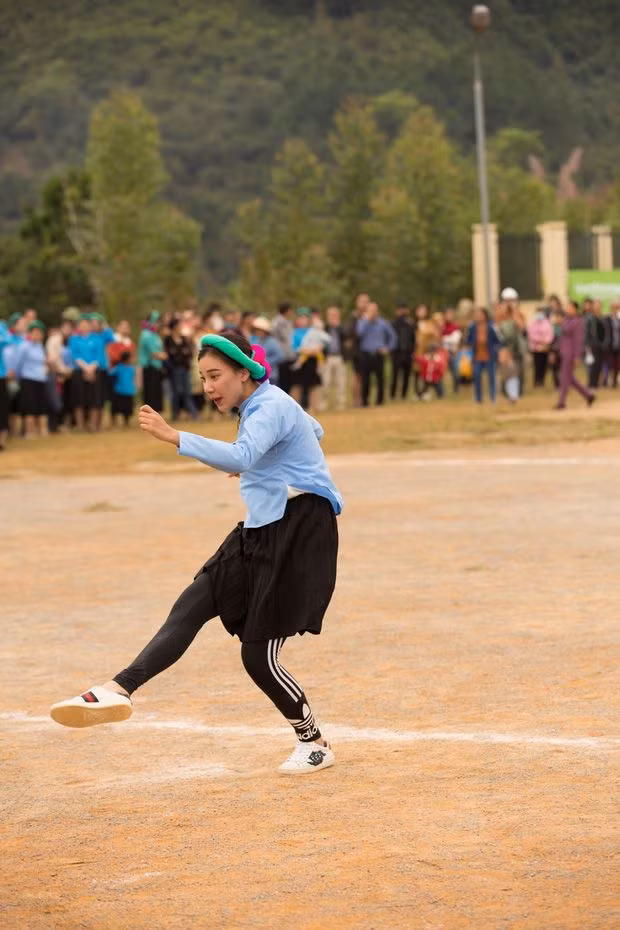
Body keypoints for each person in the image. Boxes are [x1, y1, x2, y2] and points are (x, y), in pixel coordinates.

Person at [50, 332, 343, 776]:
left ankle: (314, 743)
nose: (208, 387)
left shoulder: (269, 404)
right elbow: (312, 430)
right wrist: (270, 460)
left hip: (298, 530)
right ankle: (118, 688)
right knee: (193, 602)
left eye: (215, 376)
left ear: (243, 372)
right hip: (263, 526)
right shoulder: (261, 404)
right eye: (203, 378)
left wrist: (175, 436)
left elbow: (243, 455)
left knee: (258, 656)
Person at [555, 300, 595, 410]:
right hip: (564, 351)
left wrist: (577, 356)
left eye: (570, 307)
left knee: (564, 377)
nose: (568, 309)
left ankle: (561, 402)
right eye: (568, 307)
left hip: (571, 353)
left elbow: (578, 340)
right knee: (569, 378)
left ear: (575, 309)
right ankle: (588, 395)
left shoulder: (578, 321)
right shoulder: (567, 320)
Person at [356, 301, 397, 406]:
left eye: (374, 310)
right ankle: (365, 401)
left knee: (380, 379)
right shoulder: (362, 322)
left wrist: (388, 348)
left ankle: (380, 401)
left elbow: (393, 336)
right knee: (365, 379)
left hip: (379, 354)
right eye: (370, 310)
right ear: (367, 311)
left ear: (377, 311)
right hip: (366, 354)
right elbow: (359, 333)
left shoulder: (383, 323)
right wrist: (366, 320)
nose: (373, 312)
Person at [13, 320, 49, 437]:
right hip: (28, 379)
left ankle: (43, 431)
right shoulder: (24, 346)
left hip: (41, 379)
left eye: (40, 332)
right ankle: (29, 432)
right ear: (30, 333)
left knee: (42, 405)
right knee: (29, 406)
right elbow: (18, 363)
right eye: (35, 332)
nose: (37, 335)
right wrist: (17, 378)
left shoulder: (41, 347)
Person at [466, 307, 501, 404]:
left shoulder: (491, 326)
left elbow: (497, 340)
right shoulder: (472, 327)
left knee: (491, 377)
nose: (478, 316)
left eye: (480, 314)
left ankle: (493, 397)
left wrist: (496, 350)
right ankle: (478, 399)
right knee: (477, 376)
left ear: (485, 316)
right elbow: (468, 339)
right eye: (477, 315)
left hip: (489, 356)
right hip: (477, 356)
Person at [138, 311, 166, 412]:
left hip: (156, 368)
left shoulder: (154, 334)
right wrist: (164, 356)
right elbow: (154, 353)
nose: (158, 324)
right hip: (150, 368)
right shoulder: (146, 334)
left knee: (156, 393)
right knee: (150, 394)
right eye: (156, 321)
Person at [322, 306, 347, 411]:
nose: (332, 317)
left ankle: (340, 403)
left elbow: (347, 336)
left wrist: (338, 327)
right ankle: (323, 403)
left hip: (339, 357)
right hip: (327, 358)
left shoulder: (342, 328)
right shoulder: (324, 328)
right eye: (331, 315)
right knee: (325, 381)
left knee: (340, 382)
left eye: (335, 315)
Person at [390, 303, 415, 400]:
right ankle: (392, 394)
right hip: (397, 353)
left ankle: (404, 394)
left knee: (406, 375)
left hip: (407, 353)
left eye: (404, 309)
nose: (402, 312)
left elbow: (413, 338)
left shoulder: (410, 324)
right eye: (400, 309)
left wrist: (412, 350)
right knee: (395, 375)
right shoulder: (393, 324)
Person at [527, 308, 554, 388]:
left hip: (545, 348)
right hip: (536, 348)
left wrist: (545, 342)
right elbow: (531, 335)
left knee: (544, 365)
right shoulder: (532, 323)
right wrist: (540, 340)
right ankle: (536, 381)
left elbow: (550, 334)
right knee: (537, 365)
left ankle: (542, 381)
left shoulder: (547, 323)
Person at [109, 350, 137, 427]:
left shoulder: (131, 368)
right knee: (115, 408)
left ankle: (126, 422)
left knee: (127, 409)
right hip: (119, 391)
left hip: (128, 391)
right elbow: (111, 376)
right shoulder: (119, 367)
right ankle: (114, 422)